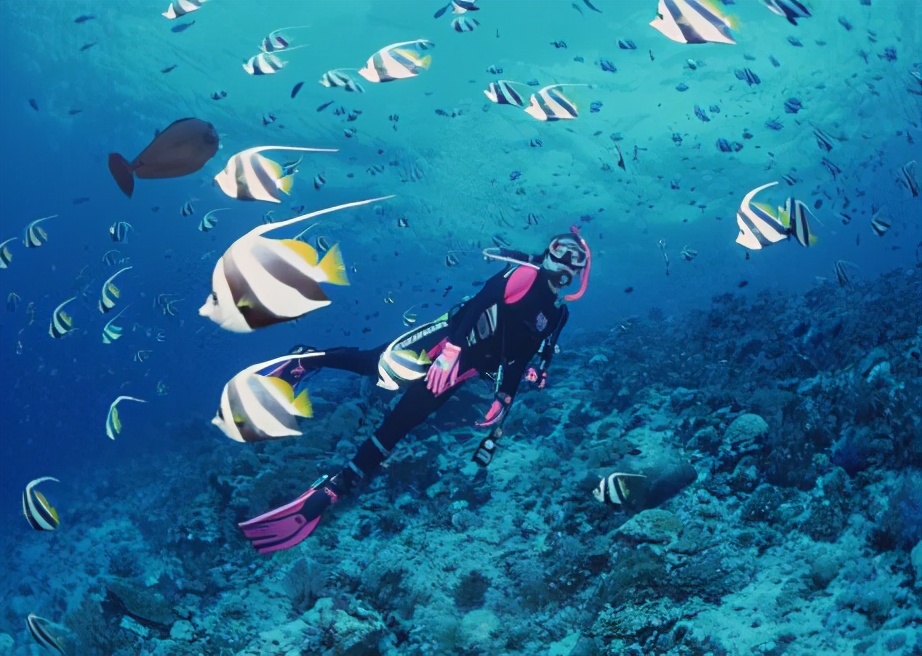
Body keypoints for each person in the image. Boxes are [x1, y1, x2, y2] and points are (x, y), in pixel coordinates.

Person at [237, 227, 592, 553]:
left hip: (462, 371)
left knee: (402, 423)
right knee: (376, 367)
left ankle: (338, 486)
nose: (567, 262)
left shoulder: (558, 315)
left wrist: (505, 398)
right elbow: (480, 304)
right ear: (549, 250)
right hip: (444, 341)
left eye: (577, 259)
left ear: (581, 271)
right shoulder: (525, 275)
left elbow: (521, 358)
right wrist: (450, 351)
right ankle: (307, 359)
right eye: (563, 250)